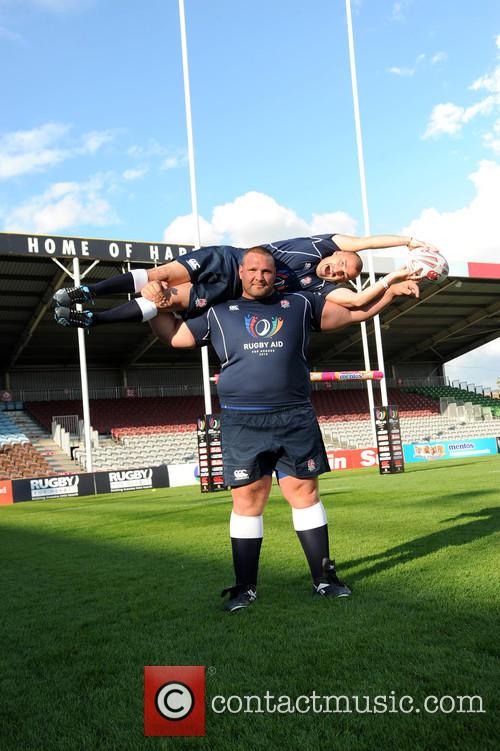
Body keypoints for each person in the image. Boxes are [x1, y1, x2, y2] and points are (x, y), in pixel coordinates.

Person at [150, 246, 420, 612]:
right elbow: (174, 336)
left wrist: (389, 292)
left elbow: (355, 312)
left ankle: (325, 578)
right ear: (241, 274)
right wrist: (151, 304)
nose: (260, 276)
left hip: (294, 417)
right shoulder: (217, 313)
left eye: (266, 270)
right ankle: (244, 588)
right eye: (253, 270)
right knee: (247, 502)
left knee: (305, 495)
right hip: (243, 421)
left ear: (275, 274)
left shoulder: (300, 305)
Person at [53, 232, 427, 328]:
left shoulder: (320, 290)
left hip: (230, 289)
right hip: (229, 259)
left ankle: (93, 319)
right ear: (334, 253)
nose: (338, 271)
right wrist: (408, 241)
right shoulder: (319, 244)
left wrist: (390, 280)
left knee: (168, 299)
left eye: (345, 274)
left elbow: (358, 303)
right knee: (160, 275)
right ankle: (86, 290)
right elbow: (365, 241)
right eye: (340, 263)